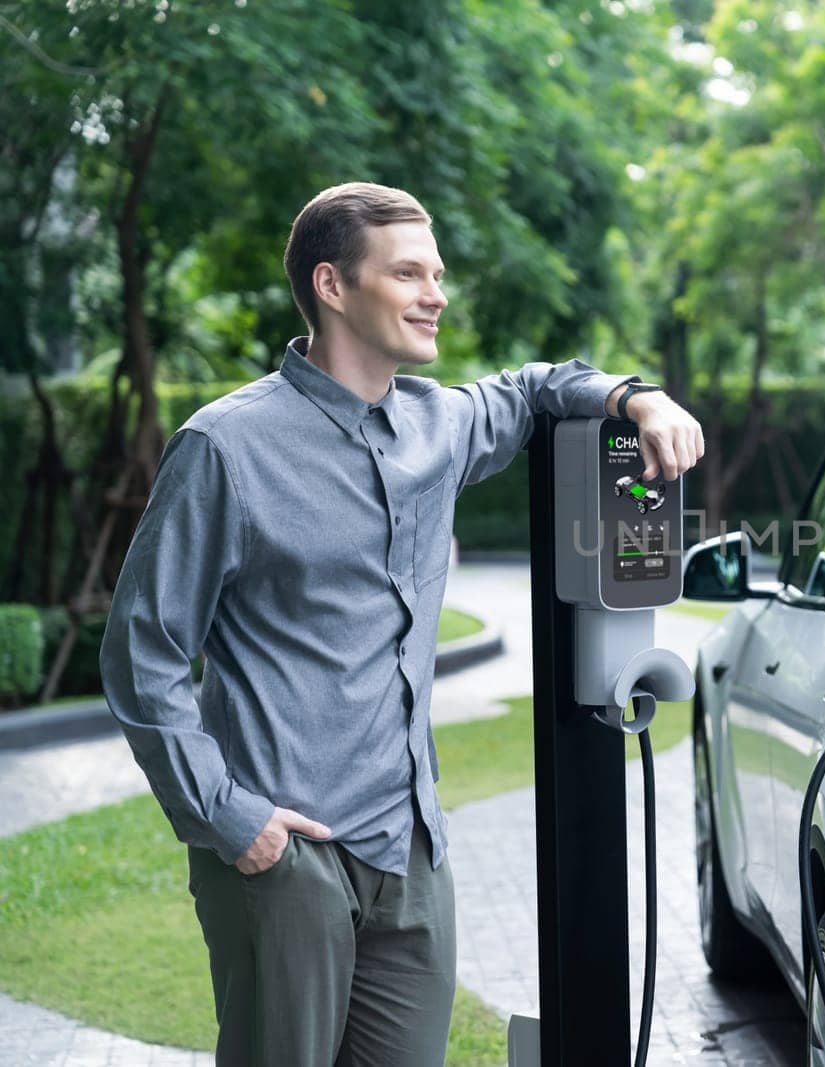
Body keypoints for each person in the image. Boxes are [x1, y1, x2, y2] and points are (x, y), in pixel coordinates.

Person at [99, 181, 704, 1065]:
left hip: (412, 855)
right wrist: (232, 819)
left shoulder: (439, 422)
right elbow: (142, 652)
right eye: (410, 272)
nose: (437, 293)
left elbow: (537, 389)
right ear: (333, 286)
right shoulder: (225, 447)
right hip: (288, 856)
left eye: (439, 272)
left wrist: (636, 398)